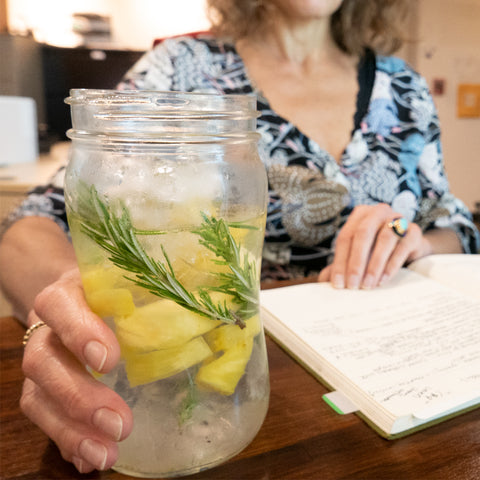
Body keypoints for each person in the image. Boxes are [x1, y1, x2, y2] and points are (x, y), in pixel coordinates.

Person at [0, 0, 478, 473]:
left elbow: (455, 222)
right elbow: (33, 222)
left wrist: (410, 237)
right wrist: (70, 310)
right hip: (208, 388)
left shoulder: (403, 86)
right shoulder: (180, 69)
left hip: (381, 373)